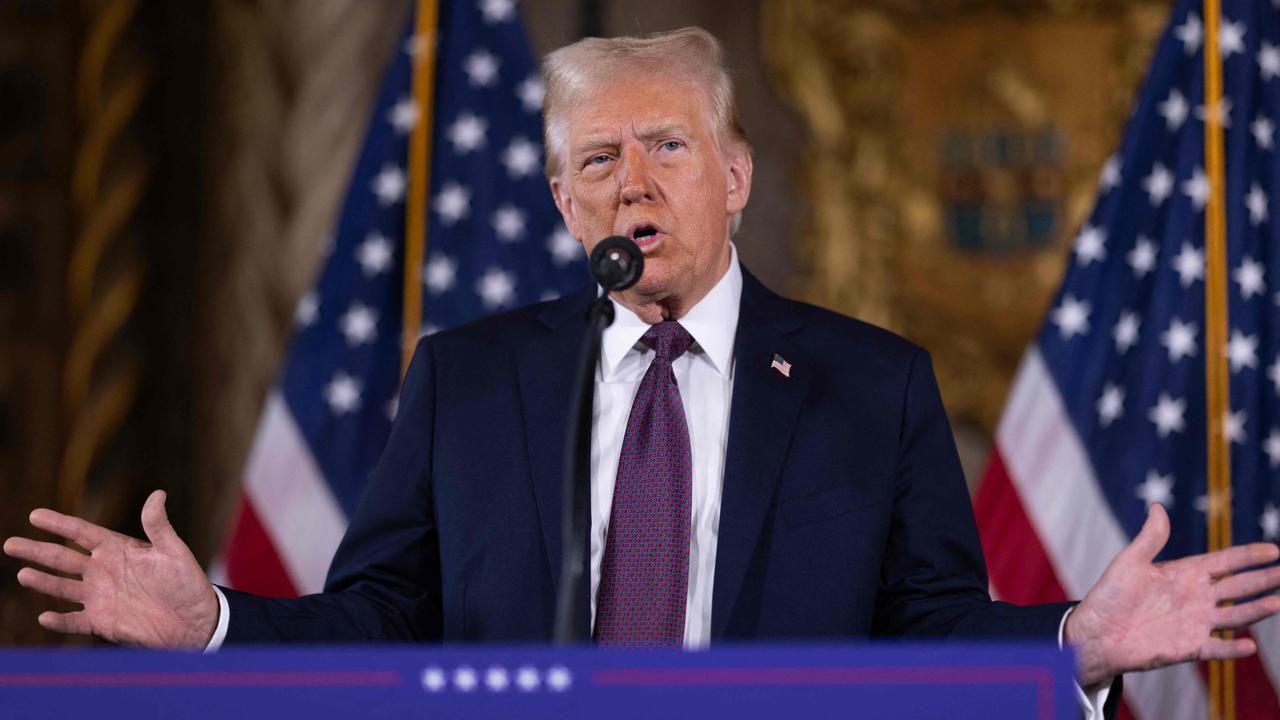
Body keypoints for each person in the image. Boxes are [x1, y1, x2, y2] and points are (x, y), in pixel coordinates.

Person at [6, 27, 1280, 717]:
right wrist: (213, 623)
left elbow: (925, 629)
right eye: (599, 159)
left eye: (666, 144)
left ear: (732, 178)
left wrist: (1079, 643)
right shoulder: (468, 379)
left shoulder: (867, 380)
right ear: (565, 203)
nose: (634, 181)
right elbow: (381, 615)